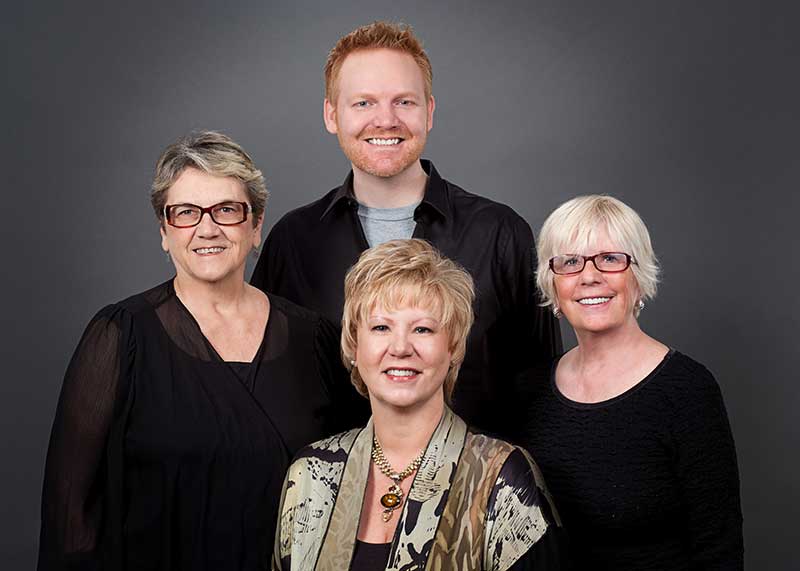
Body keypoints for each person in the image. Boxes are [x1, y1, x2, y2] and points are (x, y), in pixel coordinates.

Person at [38, 131, 362, 571]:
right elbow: (70, 514)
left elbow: (355, 483)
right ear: (164, 231)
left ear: (255, 226)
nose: (206, 228)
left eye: (226, 210)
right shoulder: (120, 335)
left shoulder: (316, 339)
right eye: (186, 213)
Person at [250, 21, 561, 436]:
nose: (385, 120)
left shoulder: (501, 234)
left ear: (429, 112)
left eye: (404, 102)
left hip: (475, 492)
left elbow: (542, 389)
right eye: (363, 103)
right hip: (327, 495)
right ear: (331, 114)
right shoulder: (293, 241)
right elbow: (268, 390)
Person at [273, 239, 566, 571]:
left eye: (423, 329)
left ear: (453, 347)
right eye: (381, 327)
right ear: (354, 345)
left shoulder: (500, 476)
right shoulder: (310, 473)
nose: (400, 347)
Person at [515, 195, 743, 569]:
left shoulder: (687, 391)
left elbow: (719, 548)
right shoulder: (530, 390)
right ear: (552, 283)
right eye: (570, 262)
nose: (589, 276)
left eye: (610, 259)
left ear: (639, 275)